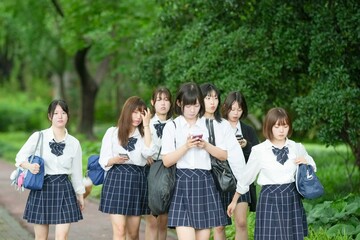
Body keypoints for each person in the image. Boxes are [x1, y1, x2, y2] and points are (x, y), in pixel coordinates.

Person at [161, 82, 243, 240]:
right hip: (182, 183)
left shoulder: (209, 125)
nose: (193, 110)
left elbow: (223, 155)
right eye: (188, 106)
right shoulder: (172, 126)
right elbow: (167, 161)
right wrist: (186, 146)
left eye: (196, 105)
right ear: (179, 103)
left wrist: (205, 145)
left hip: (205, 182)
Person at [228, 107, 316, 240]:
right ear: (269, 127)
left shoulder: (296, 147)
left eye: (285, 126)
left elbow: (312, 167)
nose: (281, 130)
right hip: (269, 198)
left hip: (291, 197)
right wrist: (234, 201)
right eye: (276, 126)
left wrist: (306, 162)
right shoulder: (259, 150)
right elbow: (246, 178)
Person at [15, 99, 85, 240]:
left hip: (65, 188)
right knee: (41, 238)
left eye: (63, 113)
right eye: (56, 113)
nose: (60, 116)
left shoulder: (74, 143)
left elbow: (77, 171)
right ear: (50, 116)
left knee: (62, 237)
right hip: (42, 188)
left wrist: (80, 195)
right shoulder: (39, 137)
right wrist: (30, 166)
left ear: (68, 116)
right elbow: (19, 157)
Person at [98, 96, 152, 240]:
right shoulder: (112, 133)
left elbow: (148, 153)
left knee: (133, 234)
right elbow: (103, 160)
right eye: (134, 112)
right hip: (116, 178)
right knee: (120, 231)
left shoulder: (144, 134)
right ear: (127, 112)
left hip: (136, 180)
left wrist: (147, 125)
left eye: (141, 113)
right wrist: (114, 160)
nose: (138, 117)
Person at [199, 84, 247, 240]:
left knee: (225, 223)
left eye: (215, 98)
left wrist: (242, 182)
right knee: (212, 226)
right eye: (208, 98)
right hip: (202, 177)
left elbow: (234, 156)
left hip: (224, 177)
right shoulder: (193, 123)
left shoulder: (223, 124)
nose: (212, 102)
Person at [221, 91, 259, 240]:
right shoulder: (219, 126)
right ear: (226, 107)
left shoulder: (248, 130)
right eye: (232, 109)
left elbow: (258, 154)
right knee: (219, 225)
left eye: (239, 109)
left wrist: (246, 145)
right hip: (221, 178)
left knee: (242, 223)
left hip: (242, 179)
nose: (236, 113)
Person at [145, 86, 173, 240]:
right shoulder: (146, 124)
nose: (163, 103)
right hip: (151, 170)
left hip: (169, 171)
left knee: (164, 220)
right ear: (152, 102)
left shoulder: (176, 124)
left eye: (166, 100)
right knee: (151, 220)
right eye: (159, 99)